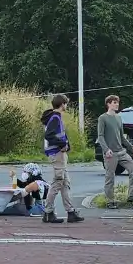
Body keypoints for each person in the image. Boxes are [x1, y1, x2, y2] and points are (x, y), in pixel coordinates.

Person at [40, 94, 83, 223]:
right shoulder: (55, 117)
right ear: (62, 104)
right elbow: (49, 135)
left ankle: (70, 212)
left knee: (65, 183)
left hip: (57, 152)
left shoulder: (54, 117)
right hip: (57, 153)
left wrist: (66, 145)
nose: (66, 106)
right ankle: (48, 212)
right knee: (58, 181)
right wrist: (62, 144)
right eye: (66, 103)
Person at [97, 94, 133, 209]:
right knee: (110, 176)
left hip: (121, 151)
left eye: (117, 102)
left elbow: (122, 137)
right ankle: (110, 200)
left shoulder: (119, 118)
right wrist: (106, 150)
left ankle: (131, 196)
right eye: (114, 102)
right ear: (108, 104)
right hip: (110, 153)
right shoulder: (103, 118)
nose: (117, 104)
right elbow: (100, 136)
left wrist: (131, 148)